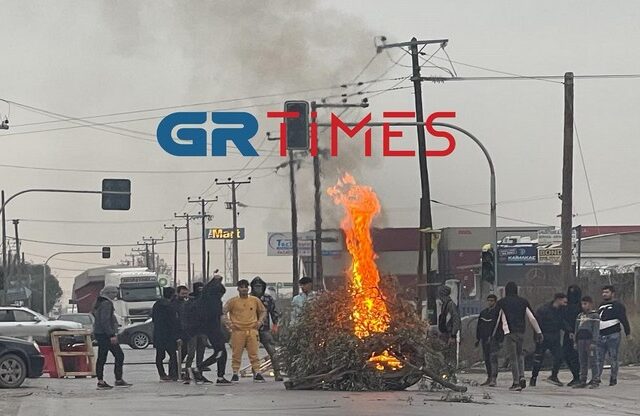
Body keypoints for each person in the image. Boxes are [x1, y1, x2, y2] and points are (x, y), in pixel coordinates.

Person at [496, 281, 543, 392]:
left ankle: (516, 382)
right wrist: (538, 332)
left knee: (513, 358)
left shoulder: (502, 303)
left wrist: (497, 334)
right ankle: (522, 375)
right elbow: (531, 318)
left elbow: (498, 319)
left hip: (509, 332)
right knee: (520, 354)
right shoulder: (523, 302)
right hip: (521, 332)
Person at [187, 278, 231, 385]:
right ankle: (199, 369)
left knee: (221, 353)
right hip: (214, 330)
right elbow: (218, 318)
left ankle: (220, 376)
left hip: (207, 330)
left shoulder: (203, 300)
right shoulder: (215, 302)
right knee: (220, 352)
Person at [224, 279, 267, 382]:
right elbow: (223, 312)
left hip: (252, 330)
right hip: (238, 331)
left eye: (246, 287)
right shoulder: (232, 301)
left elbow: (263, 311)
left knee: (254, 353)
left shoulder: (255, 300)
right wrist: (229, 324)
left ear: (248, 289)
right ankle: (235, 372)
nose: (244, 289)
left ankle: (257, 372)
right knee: (236, 353)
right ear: (238, 289)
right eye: (242, 287)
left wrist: (260, 322)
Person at [92, 286, 131, 389]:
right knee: (118, 355)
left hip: (99, 333)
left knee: (102, 357)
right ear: (109, 293)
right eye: (114, 293)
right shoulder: (107, 303)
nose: (115, 295)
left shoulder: (99, 302)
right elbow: (105, 320)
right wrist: (111, 335)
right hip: (105, 334)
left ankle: (101, 380)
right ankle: (116, 379)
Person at [531, 293, 568, 387]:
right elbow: (536, 323)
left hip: (555, 338)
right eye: (564, 301)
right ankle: (533, 378)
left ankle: (554, 375)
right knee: (538, 359)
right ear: (558, 300)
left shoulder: (561, 310)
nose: (565, 304)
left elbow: (562, 323)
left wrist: (569, 330)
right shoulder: (543, 309)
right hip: (543, 337)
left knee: (559, 356)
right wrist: (537, 336)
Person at [250, 276, 283, 381]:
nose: (258, 289)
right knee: (253, 352)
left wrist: (275, 324)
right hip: (251, 329)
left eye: (260, 286)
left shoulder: (268, 298)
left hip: (264, 328)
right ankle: (256, 373)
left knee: (272, 351)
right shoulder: (248, 298)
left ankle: (277, 373)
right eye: (256, 286)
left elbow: (274, 312)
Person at [597, 285, 632, 386]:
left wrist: (628, 333)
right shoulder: (601, 305)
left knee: (613, 357)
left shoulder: (618, 305)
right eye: (603, 292)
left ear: (612, 293)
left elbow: (624, 319)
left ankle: (613, 378)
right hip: (601, 335)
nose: (604, 294)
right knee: (599, 358)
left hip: (613, 334)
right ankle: (597, 378)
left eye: (607, 292)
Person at [573, 296, 601, 389]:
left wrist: (594, 342)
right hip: (581, 340)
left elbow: (596, 330)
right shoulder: (579, 316)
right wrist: (575, 341)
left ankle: (595, 380)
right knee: (582, 361)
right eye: (582, 304)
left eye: (585, 304)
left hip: (590, 341)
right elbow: (576, 329)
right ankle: (582, 380)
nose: (583, 306)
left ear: (590, 304)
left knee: (593, 361)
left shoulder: (595, 316)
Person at [152, 287, 180, 381]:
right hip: (169, 335)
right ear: (172, 295)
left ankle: (162, 374)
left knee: (160, 355)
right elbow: (173, 322)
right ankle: (173, 374)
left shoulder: (156, 304)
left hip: (158, 333)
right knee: (172, 355)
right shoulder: (170, 306)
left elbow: (153, 318)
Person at [475, 294, 500, 387]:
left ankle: (494, 378)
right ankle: (489, 377)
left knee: (493, 358)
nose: (490, 302)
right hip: (484, 339)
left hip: (494, 339)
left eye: (492, 300)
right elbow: (479, 326)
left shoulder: (497, 313)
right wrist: (478, 338)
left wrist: (497, 338)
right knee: (486, 359)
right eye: (489, 300)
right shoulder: (483, 313)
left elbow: (499, 327)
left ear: (495, 302)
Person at [437, 285, 461, 372]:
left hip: (450, 334)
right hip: (445, 334)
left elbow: (456, 320)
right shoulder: (445, 305)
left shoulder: (451, 305)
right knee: (445, 354)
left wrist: (453, 336)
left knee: (450, 354)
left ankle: (452, 373)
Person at [562, 285, 583, 386]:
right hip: (568, 334)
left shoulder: (581, 306)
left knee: (576, 356)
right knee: (566, 354)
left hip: (579, 334)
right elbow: (563, 319)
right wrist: (569, 330)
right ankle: (575, 376)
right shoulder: (566, 306)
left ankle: (578, 377)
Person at [185, 282, 207, 371]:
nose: (200, 290)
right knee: (191, 352)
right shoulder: (190, 301)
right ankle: (188, 369)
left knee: (201, 351)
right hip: (192, 330)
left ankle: (199, 368)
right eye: (199, 289)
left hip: (203, 329)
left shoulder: (205, 300)